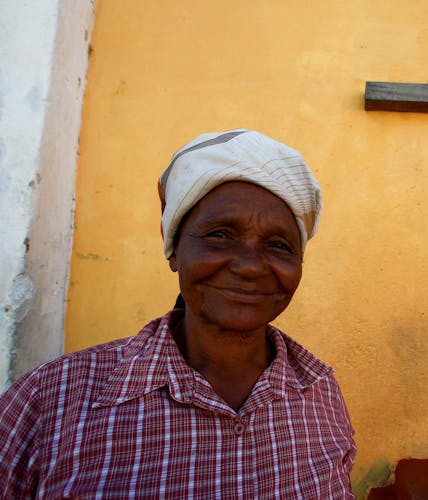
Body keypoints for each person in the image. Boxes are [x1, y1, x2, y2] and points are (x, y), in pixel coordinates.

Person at [0, 129, 356, 498]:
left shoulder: (319, 391)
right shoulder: (50, 399)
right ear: (173, 248)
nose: (251, 266)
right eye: (220, 235)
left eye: (279, 245)